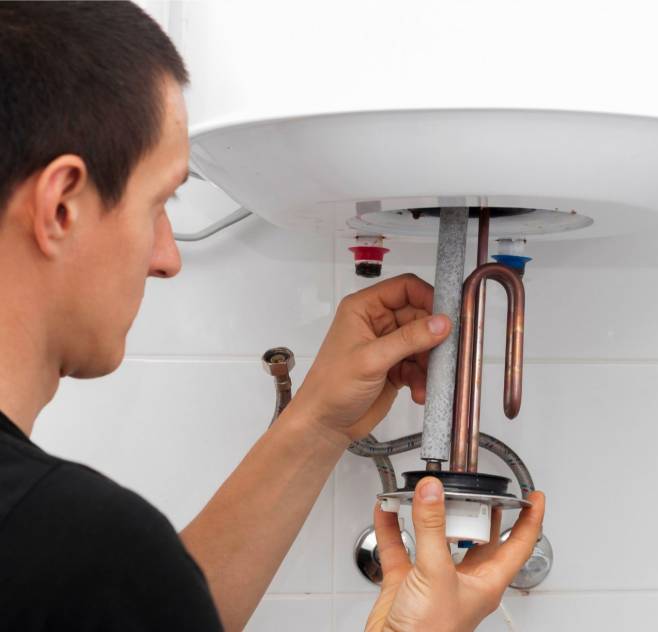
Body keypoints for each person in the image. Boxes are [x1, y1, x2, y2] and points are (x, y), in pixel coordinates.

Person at [0, 2, 546, 631]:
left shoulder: (55, 558)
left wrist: (317, 423)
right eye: (158, 203)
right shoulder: (73, 550)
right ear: (61, 207)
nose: (168, 258)